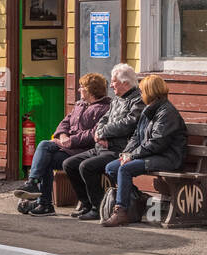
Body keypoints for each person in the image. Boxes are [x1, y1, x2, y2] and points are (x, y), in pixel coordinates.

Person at [15, 72, 112, 216]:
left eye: (82, 87)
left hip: (84, 151)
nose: (79, 90)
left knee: (44, 147)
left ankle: (38, 192)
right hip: (68, 148)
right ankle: (43, 201)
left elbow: (94, 133)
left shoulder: (104, 109)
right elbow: (64, 122)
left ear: (91, 90)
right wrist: (63, 136)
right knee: (45, 155)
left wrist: (69, 141)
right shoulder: (80, 105)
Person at [102, 74, 188, 227]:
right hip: (152, 154)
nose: (140, 94)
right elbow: (136, 136)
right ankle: (139, 198)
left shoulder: (167, 112)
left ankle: (121, 211)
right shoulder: (148, 110)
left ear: (151, 92)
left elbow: (157, 142)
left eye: (142, 91)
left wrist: (133, 156)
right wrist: (126, 153)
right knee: (112, 167)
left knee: (125, 169)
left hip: (168, 157)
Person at [60, 64, 144, 220]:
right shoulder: (117, 99)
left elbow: (129, 124)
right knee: (69, 164)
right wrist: (99, 131)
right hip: (102, 147)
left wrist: (103, 132)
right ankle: (86, 203)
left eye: (114, 82)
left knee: (87, 167)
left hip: (119, 149)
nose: (111, 85)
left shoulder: (137, 100)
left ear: (125, 83)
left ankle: (97, 207)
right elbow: (104, 119)